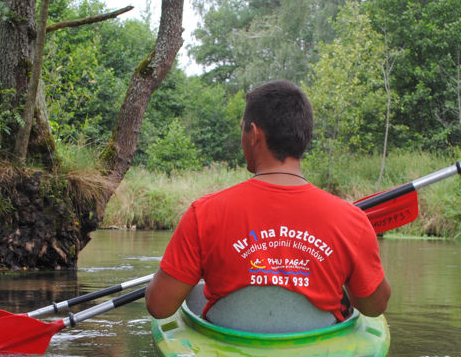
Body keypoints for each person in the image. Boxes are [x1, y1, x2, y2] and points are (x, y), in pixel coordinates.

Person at [144, 79, 390, 324]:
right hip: (316, 352)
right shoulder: (352, 220)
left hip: (230, 351)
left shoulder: (203, 214)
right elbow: (374, 306)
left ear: (254, 134)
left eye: (242, 129)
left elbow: (159, 306)